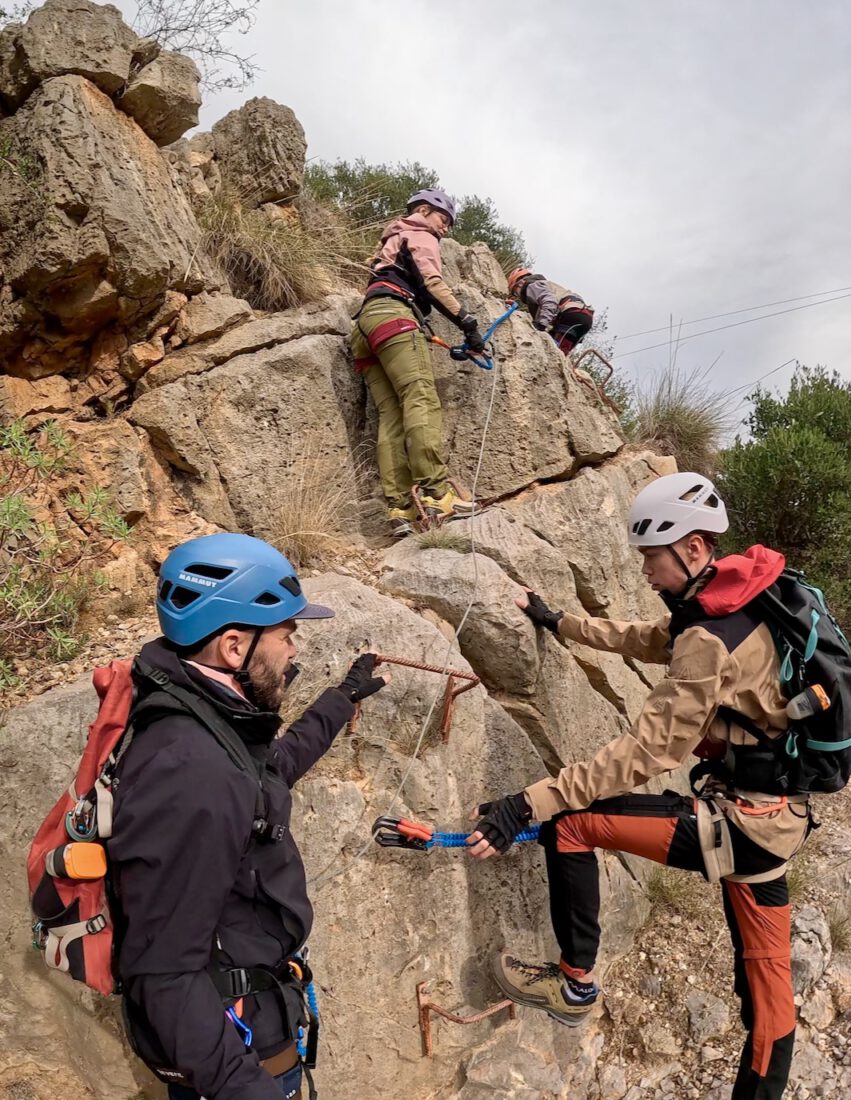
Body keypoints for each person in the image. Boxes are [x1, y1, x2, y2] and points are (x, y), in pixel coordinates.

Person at [466, 473, 810, 1100]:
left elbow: (647, 752)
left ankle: (573, 985)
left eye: (653, 557)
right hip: (770, 818)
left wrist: (527, 801)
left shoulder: (710, 633)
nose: (647, 571)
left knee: (569, 823)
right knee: (768, 1002)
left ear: (695, 550)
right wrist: (560, 621)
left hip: (744, 830)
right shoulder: (734, 604)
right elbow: (648, 639)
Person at [107, 533, 390, 1100]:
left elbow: (270, 773)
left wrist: (343, 698)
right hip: (236, 1059)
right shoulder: (192, 773)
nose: (293, 653)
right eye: (287, 636)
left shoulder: (209, 722)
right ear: (234, 647)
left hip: (249, 1030)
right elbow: (163, 974)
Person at [350, 188, 483, 537]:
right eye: (444, 219)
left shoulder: (391, 240)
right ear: (423, 210)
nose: (446, 229)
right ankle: (438, 495)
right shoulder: (420, 235)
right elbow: (433, 284)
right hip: (394, 318)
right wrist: (468, 325)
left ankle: (400, 509)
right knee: (421, 399)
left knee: (391, 417)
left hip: (365, 328)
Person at [507, 267, 594, 356]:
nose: (519, 296)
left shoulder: (531, 286)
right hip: (584, 317)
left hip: (570, 314)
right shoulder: (547, 286)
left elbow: (549, 301)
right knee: (560, 351)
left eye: (515, 292)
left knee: (550, 352)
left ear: (520, 284)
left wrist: (540, 324)